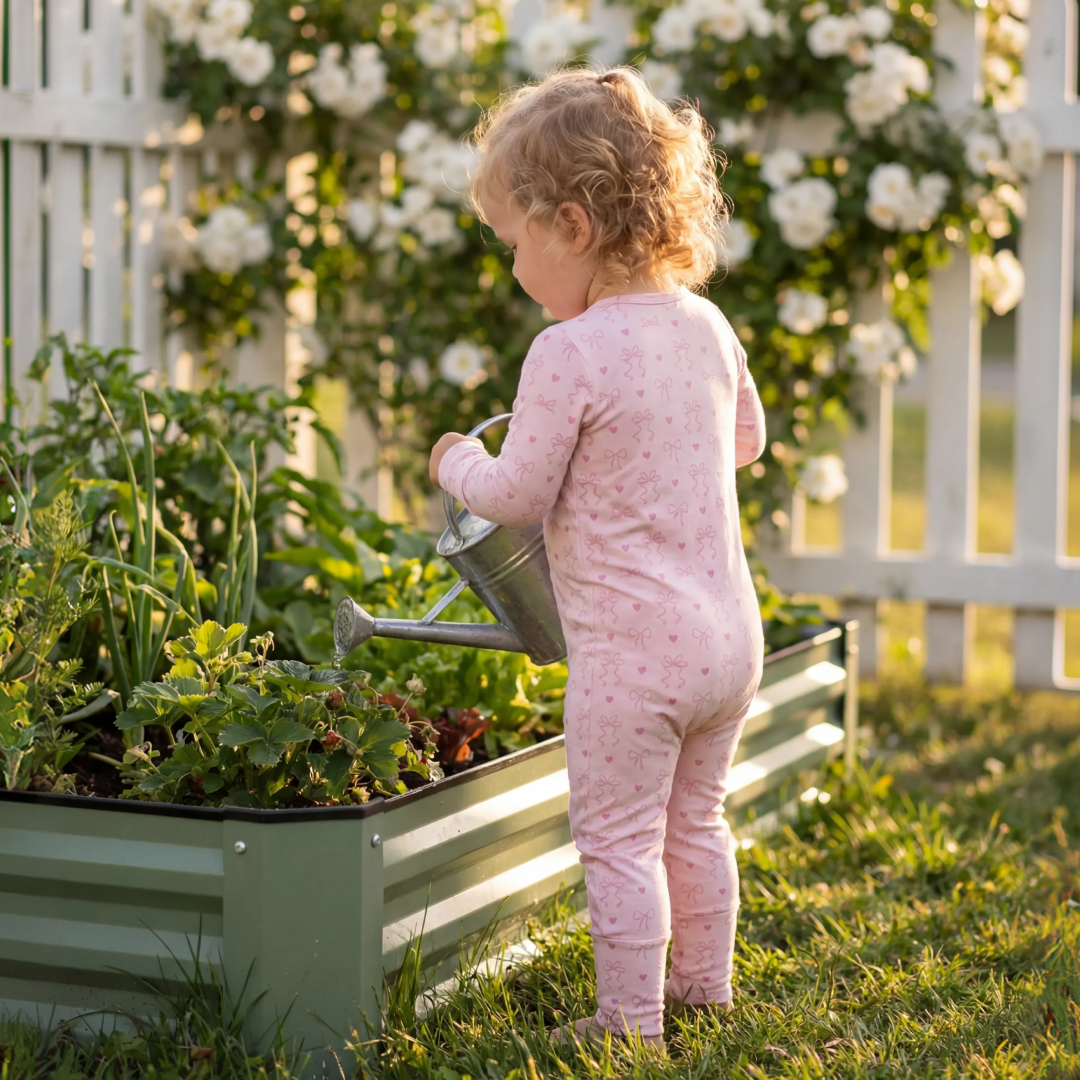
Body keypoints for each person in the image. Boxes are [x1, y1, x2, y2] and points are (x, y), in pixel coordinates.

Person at [428, 66, 766, 1051]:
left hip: (632, 661)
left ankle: (631, 1028)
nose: (512, 268)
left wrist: (459, 460)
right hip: (727, 643)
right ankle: (706, 989)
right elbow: (743, 443)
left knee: (617, 842)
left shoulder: (566, 351)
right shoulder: (706, 324)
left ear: (571, 226)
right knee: (695, 823)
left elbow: (519, 495)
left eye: (513, 243)